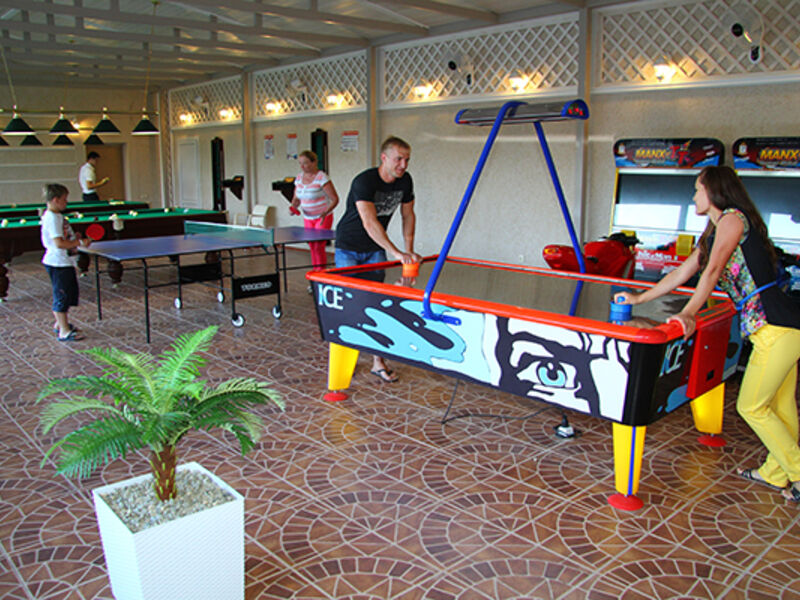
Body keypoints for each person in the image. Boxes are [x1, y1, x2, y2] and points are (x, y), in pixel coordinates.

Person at [615, 166, 800, 503]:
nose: (694, 196)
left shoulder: (733, 219)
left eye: (697, 189)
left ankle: (798, 471)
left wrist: (688, 313)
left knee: (751, 406)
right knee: (780, 404)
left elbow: (713, 271)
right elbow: (682, 273)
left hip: (776, 326)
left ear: (714, 190)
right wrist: (639, 298)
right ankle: (776, 472)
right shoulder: (713, 233)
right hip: (776, 329)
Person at [335, 136, 422, 383]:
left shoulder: (405, 181)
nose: (403, 165)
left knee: (376, 304)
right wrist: (396, 252)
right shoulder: (364, 181)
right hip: (349, 246)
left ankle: (377, 362)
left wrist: (408, 251)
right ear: (384, 158)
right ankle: (344, 361)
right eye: (398, 159)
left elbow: (408, 215)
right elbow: (369, 222)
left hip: (375, 248)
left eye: (407, 160)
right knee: (351, 304)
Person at [41, 183, 91, 341]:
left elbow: (63, 238)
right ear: (55, 200)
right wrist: (80, 243)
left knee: (68, 294)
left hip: (64, 261)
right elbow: (59, 243)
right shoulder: (52, 218)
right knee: (61, 296)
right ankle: (63, 331)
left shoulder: (57, 216)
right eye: (64, 199)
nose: (66, 202)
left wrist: (73, 238)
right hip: (58, 263)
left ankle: (60, 324)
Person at [290, 150, 339, 272]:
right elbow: (296, 198)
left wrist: (326, 212)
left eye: (305, 163)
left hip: (322, 217)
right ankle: (315, 272)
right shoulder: (299, 178)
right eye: (300, 163)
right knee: (312, 245)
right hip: (308, 218)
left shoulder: (322, 177)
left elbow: (335, 199)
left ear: (314, 162)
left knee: (318, 245)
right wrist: (293, 206)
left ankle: (321, 273)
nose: (302, 166)